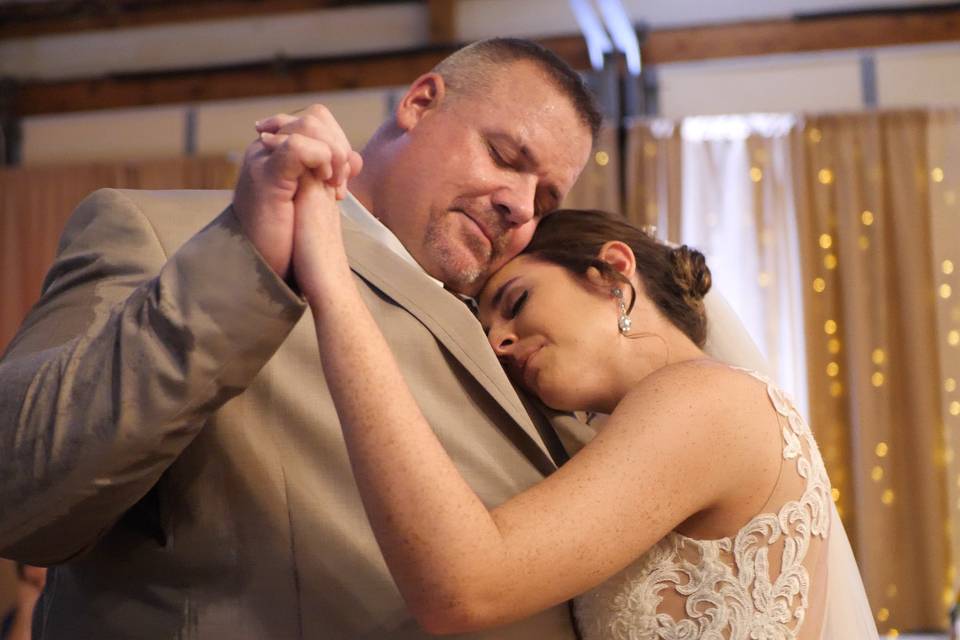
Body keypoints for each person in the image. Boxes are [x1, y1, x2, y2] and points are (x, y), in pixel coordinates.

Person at [1, 37, 762, 639]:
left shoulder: (528, 339)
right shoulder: (169, 236)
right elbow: (17, 491)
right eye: (506, 157)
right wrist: (244, 262)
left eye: (547, 196)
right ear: (421, 102)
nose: (519, 208)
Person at [287, 174, 879, 638]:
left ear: (612, 273)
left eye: (515, 303)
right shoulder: (659, 421)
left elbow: (465, 587)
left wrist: (332, 287)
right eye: (486, 328)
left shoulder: (707, 400)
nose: (497, 343)